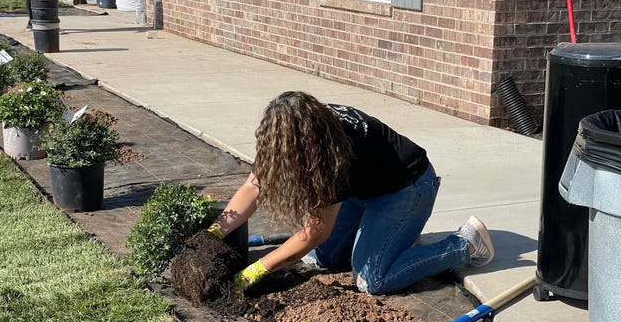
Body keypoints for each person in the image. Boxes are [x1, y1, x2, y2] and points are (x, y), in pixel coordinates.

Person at [207, 91, 494, 295]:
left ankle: (465, 244)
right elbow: (253, 187)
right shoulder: (297, 129)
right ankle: (395, 241)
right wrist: (213, 233)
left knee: (372, 281)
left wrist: (253, 272)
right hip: (362, 189)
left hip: (407, 188)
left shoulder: (331, 155)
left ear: (308, 143)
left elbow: (314, 232)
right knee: (326, 259)